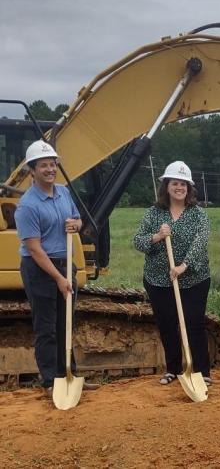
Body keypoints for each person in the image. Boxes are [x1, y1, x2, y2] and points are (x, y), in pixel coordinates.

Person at [15, 140, 92, 395]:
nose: (50, 169)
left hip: (65, 263)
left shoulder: (64, 192)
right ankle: (50, 381)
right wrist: (59, 278)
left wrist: (76, 224)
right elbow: (35, 249)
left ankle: (70, 374)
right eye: (44, 165)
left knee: (65, 323)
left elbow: (77, 219)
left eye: (53, 164)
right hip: (40, 269)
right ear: (32, 171)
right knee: (46, 327)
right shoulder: (27, 205)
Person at [133, 161, 214, 385]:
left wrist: (183, 266)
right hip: (158, 280)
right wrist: (157, 236)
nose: (179, 187)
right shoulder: (153, 213)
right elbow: (138, 241)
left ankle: (202, 371)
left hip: (194, 279)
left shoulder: (198, 214)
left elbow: (200, 242)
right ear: (166, 186)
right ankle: (173, 369)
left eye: (183, 184)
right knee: (167, 323)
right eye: (175, 183)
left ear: (189, 189)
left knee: (194, 323)